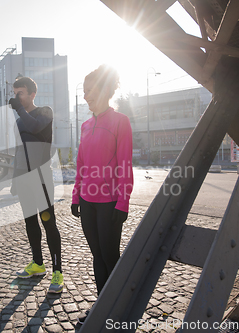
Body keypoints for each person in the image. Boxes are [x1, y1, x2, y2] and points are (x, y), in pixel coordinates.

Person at [71, 65, 134, 323]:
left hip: (109, 203)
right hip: (88, 202)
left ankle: (119, 306)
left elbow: (125, 165)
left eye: (89, 91)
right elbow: (81, 165)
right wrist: (76, 197)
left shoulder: (121, 122)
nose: (85, 96)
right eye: (84, 91)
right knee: (97, 255)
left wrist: (123, 202)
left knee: (110, 255)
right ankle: (102, 306)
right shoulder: (85, 125)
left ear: (104, 90)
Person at [9, 76, 63, 293]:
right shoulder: (19, 121)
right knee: (30, 223)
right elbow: (18, 151)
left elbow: (36, 128)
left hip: (41, 178)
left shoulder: (45, 112)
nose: (17, 98)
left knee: (49, 222)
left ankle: (57, 272)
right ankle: (38, 264)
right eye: (15, 94)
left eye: (20, 93)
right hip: (25, 179)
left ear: (32, 94)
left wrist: (19, 110)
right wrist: (15, 178)